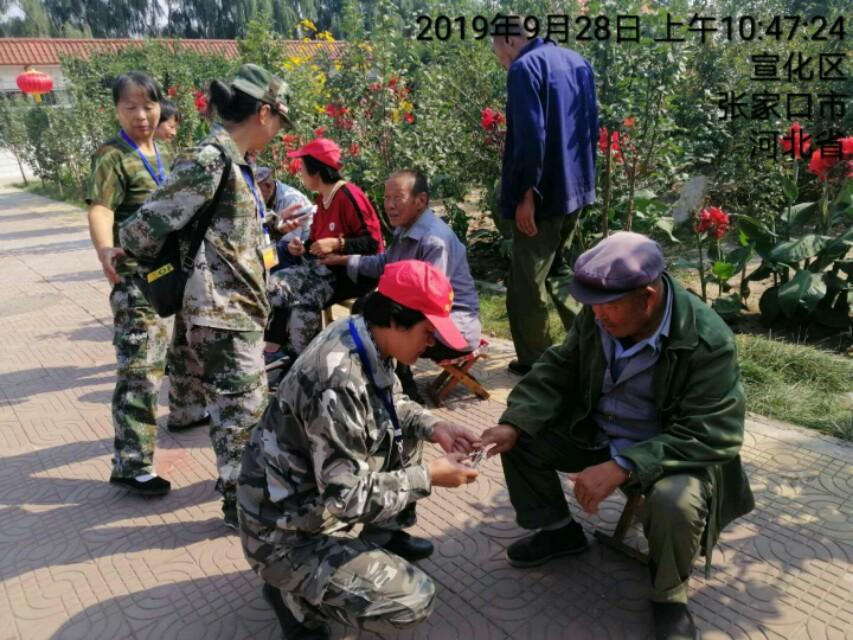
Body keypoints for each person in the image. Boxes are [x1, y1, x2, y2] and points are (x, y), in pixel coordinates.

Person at [481, 232, 755, 640]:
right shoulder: (602, 315)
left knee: (675, 502)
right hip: (596, 430)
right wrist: (514, 421)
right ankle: (560, 531)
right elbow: (561, 365)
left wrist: (625, 465)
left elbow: (712, 430)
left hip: (666, 449)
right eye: (591, 307)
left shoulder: (707, 339)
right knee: (521, 437)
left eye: (607, 308)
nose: (596, 318)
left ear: (647, 297)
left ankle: (670, 596)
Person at [239, 260, 482, 639]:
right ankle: (292, 595)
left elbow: (392, 403)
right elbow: (345, 497)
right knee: (412, 602)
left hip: (307, 498)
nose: (431, 344)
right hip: (283, 534)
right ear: (397, 319)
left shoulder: (364, 335)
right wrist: (429, 477)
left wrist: (437, 427)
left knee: (408, 433)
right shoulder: (336, 378)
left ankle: (379, 537)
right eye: (428, 332)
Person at [120, 64, 292, 528]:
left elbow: (225, 229)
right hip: (221, 312)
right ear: (263, 112)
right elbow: (138, 231)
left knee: (241, 413)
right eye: (279, 119)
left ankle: (244, 498)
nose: (278, 131)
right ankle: (246, 510)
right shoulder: (208, 160)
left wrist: (271, 230)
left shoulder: (237, 162)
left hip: (238, 310)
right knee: (242, 418)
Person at [85, 71, 180, 496]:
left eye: (148, 105)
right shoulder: (113, 156)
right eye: (130, 107)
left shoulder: (160, 150)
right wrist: (105, 250)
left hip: (164, 278)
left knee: (157, 365)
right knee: (139, 370)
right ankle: (132, 464)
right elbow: (101, 209)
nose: (141, 115)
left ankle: (144, 448)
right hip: (135, 279)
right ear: (116, 109)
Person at [492, 16, 599, 375]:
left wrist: (527, 195)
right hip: (576, 189)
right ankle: (592, 345)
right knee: (561, 269)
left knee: (526, 283)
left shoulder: (524, 68)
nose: (498, 58)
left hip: (543, 195)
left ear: (508, 40)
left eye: (496, 49)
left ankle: (536, 362)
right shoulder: (577, 61)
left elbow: (531, 137)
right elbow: (591, 125)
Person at [322, 169, 481, 401]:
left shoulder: (435, 240)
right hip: (426, 318)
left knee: (380, 320)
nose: (390, 205)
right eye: (386, 198)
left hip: (452, 325)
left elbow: (430, 297)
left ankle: (401, 391)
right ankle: (380, 383)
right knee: (370, 312)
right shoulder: (405, 229)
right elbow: (386, 263)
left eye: (398, 197)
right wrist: (344, 260)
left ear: (421, 201)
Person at [263, 137, 384, 367]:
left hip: (353, 274)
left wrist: (338, 244)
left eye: (303, 169)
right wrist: (301, 247)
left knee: (303, 302)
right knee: (274, 285)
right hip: (325, 270)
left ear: (316, 172)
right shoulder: (322, 198)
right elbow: (315, 241)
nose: (301, 174)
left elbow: (373, 244)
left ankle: (306, 362)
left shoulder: (349, 195)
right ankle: (283, 351)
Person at [254, 165, 315, 269]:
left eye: (256, 191)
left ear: (268, 185)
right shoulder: (267, 197)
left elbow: (290, 243)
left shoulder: (291, 199)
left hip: (302, 252)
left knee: (266, 256)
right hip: (282, 244)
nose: (254, 196)